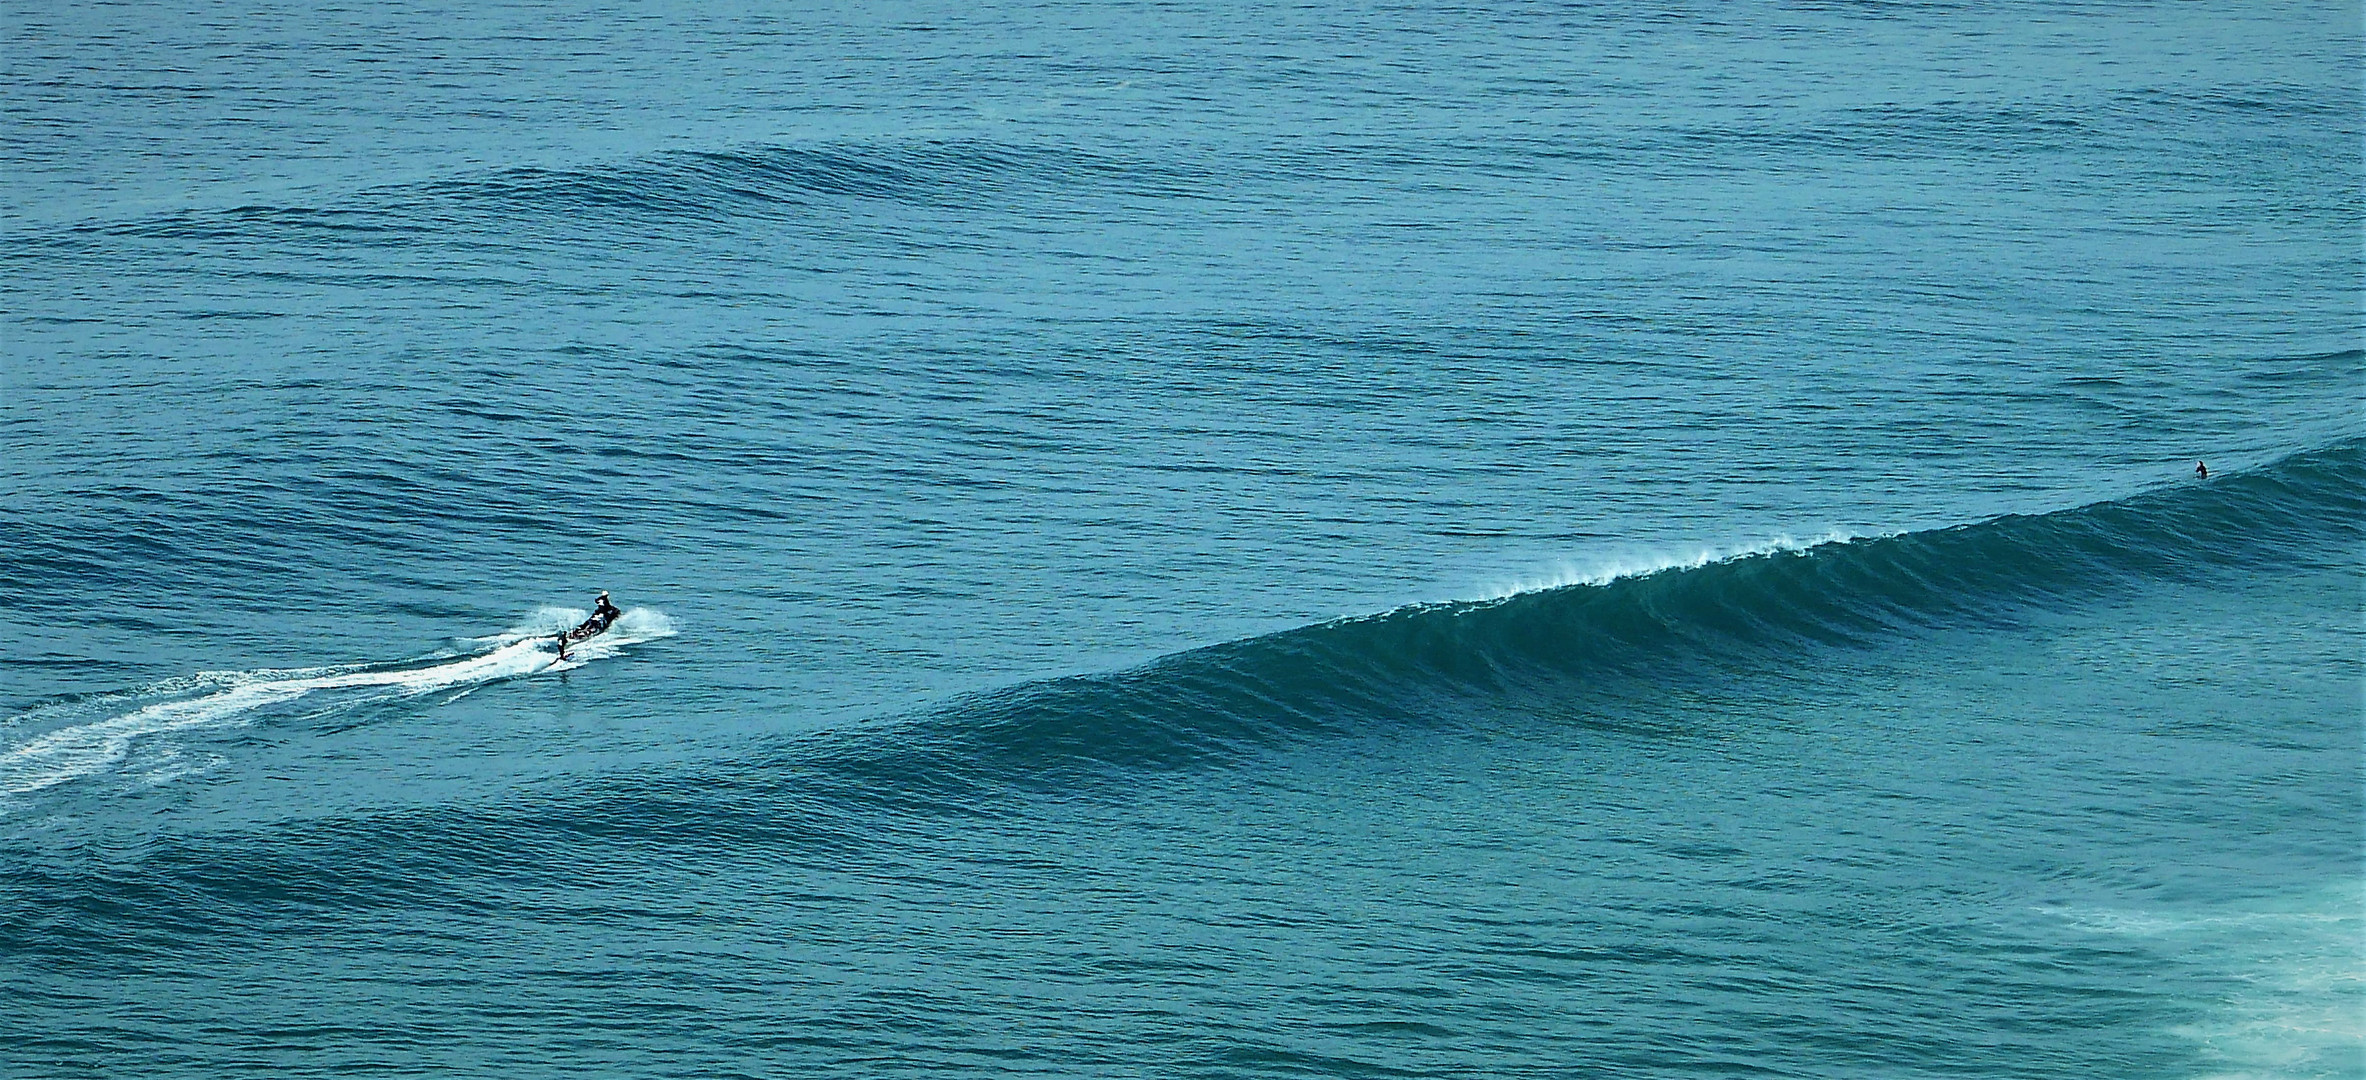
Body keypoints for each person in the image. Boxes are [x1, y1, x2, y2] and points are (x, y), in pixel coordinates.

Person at [557, 591, 623, 658]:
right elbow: (605, 607)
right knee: (589, 624)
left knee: (588, 624)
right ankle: (580, 632)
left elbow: (599, 603)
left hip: (598, 617)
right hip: (598, 617)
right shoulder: (604, 603)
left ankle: (580, 631)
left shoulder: (602, 602)